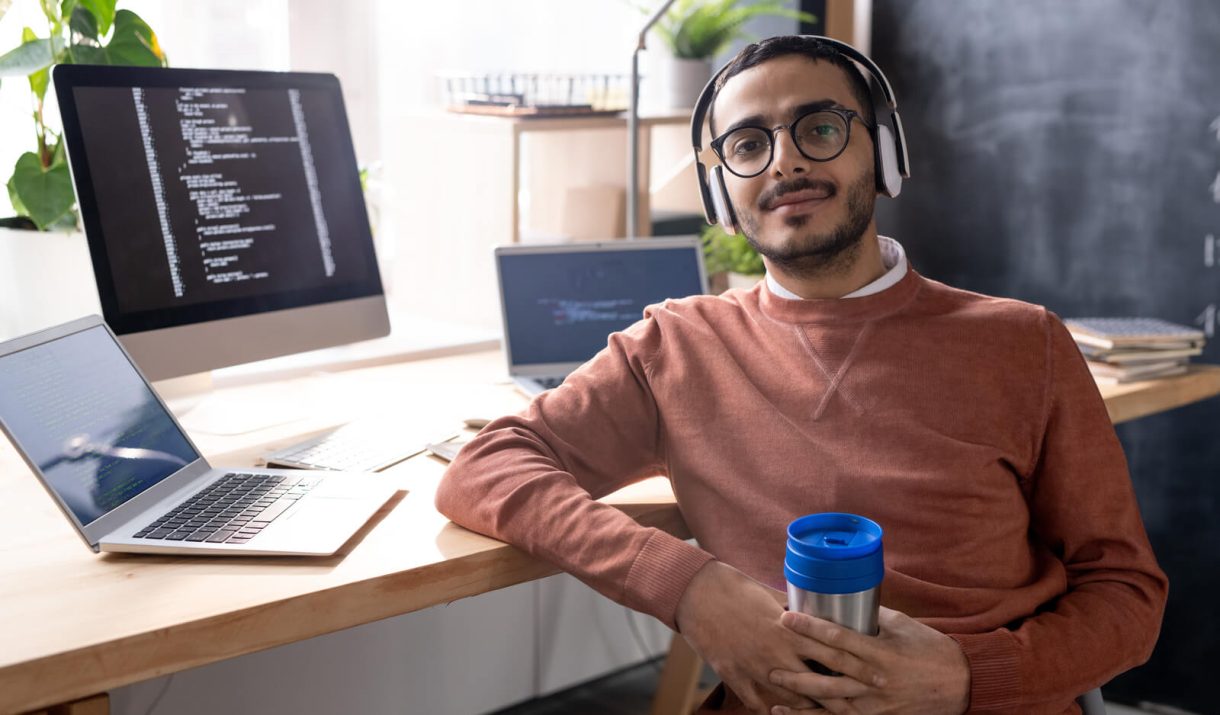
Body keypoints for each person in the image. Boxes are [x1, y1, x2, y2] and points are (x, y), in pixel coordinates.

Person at [435, 35, 1167, 715]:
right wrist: (686, 586)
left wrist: (969, 676)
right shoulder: (675, 347)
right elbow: (485, 467)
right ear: (723, 193)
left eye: (819, 128)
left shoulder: (1023, 343)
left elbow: (1127, 594)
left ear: (881, 153)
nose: (783, 163)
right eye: (749, 144)